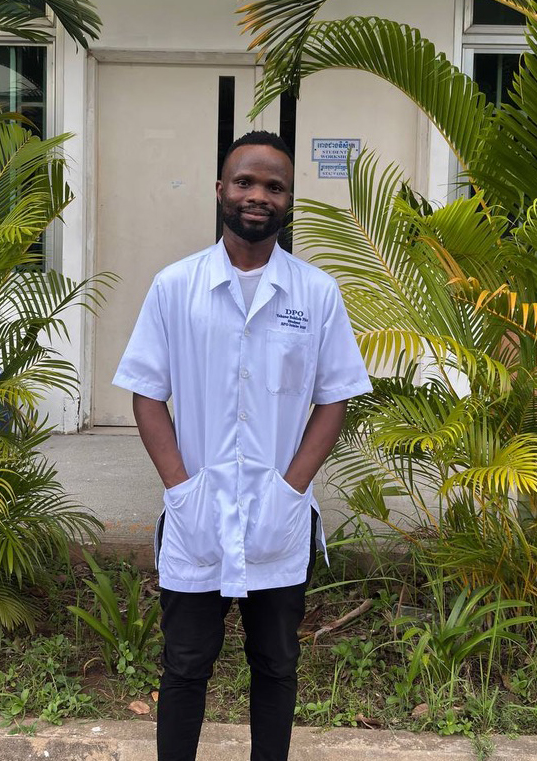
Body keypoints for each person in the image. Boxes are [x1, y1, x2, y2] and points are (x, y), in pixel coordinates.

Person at [112, 130, 371, 761]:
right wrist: (181, 487)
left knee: (277, 666)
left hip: (278, 517)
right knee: (184, 666)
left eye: (274, 186)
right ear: (221, 191)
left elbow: (334, 397)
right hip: (197, 513)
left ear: (289, 200)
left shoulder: (316, 294)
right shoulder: (176, 286)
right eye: (245, 182)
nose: (258, 196)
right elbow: (147, 393)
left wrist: (291, 489)